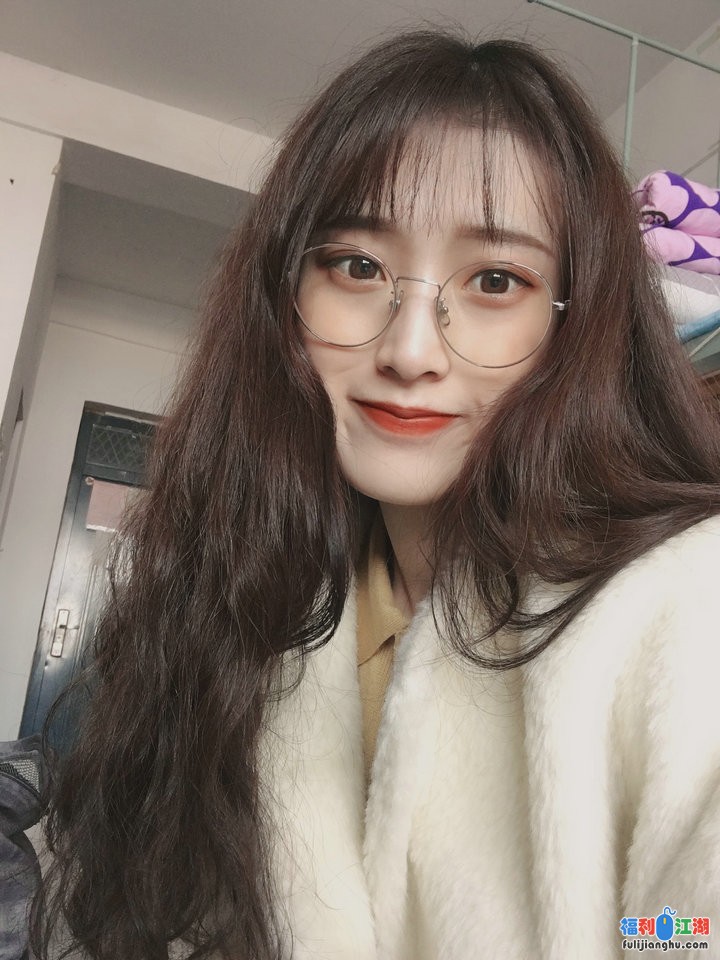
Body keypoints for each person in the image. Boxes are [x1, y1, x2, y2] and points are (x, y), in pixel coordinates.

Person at [31, 29, 720, 960]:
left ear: (576, 328)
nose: (409, 350)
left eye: (496, 280)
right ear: (286, 298)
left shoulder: (688, 608)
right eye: (357, 267)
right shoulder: (235, 606)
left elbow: (690, 929)